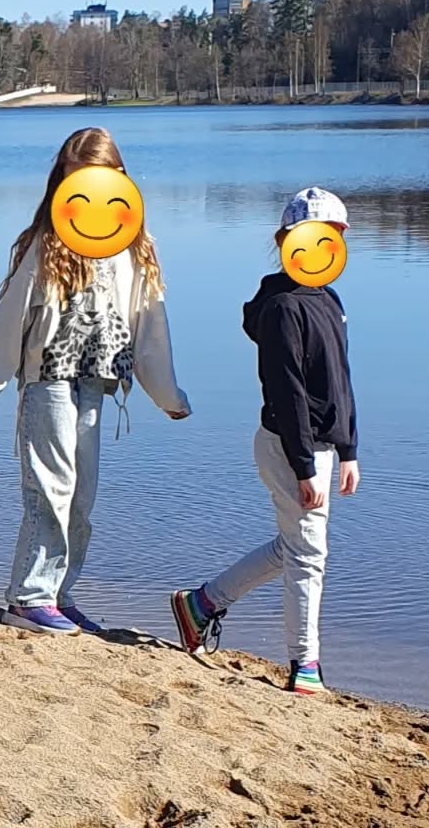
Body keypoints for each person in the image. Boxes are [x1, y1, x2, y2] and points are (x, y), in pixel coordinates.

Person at [0, 127, 191, 635]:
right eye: (73, 181)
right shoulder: (46, 244)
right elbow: (11, 317)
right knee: (51, 486)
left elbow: (149, 323)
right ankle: (28, 597)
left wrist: (167, 394)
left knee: (82, 494)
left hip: (98, 382)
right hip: (47, 378)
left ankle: (59, 594)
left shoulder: (133, 247)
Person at [171, 187, 360, 696]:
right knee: (308, 554)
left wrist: (349, 451)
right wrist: (303, 466)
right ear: (287, 242)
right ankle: (304, 665)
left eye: (336, 236)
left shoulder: (328, 299)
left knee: (297, 546)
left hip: (320, 446)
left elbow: (338, 380)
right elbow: (288, 390)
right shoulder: (280, 308)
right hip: (288, 445)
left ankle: (201, 604)